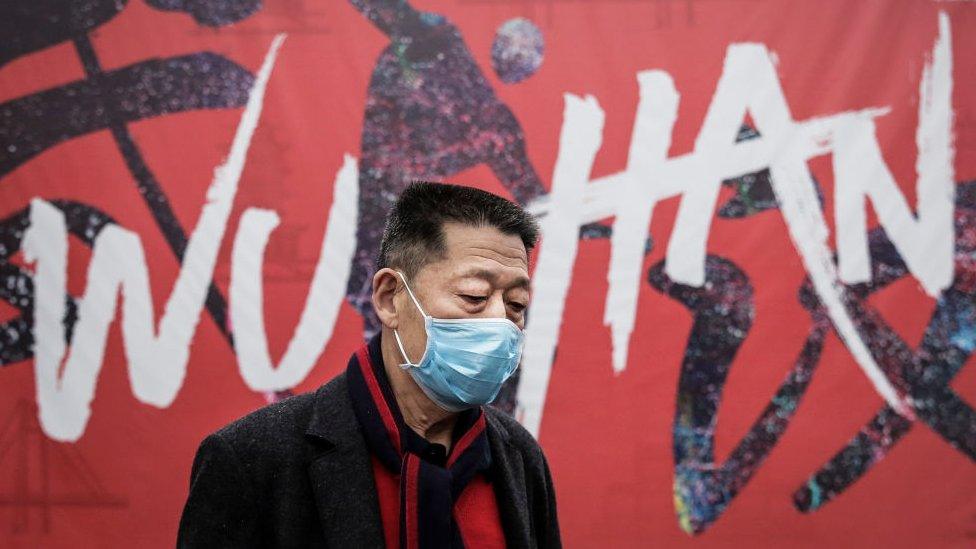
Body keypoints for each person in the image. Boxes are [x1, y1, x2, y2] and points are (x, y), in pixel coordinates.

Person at [177, 182, 561, 548]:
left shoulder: (519, 459)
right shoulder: (254, 459)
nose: (500, 322)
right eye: (474, 295)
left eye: (515, 305)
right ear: (390, 298)